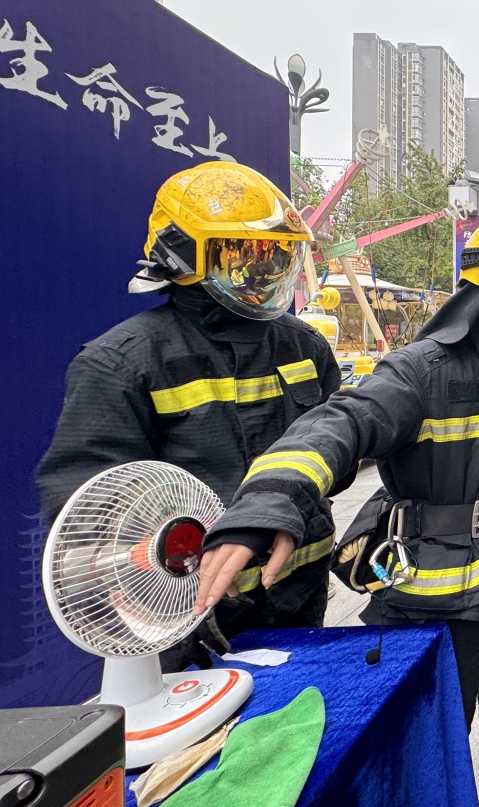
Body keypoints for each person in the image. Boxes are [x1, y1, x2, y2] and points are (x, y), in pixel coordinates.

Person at [193, 209, 479, 807]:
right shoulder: (422, 368)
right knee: (433, 719)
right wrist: (270, 502)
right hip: (430, 591)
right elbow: (341, 423)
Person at [35, 162, 342, 668]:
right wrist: (167, 598)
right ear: (185, 257)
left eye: (278, 255)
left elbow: (339, 450)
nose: (264, 271)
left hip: (299, 597)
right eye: (245, 255)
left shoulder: (302, 344)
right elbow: (90, 510)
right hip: (191, 618)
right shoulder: (123, 363)